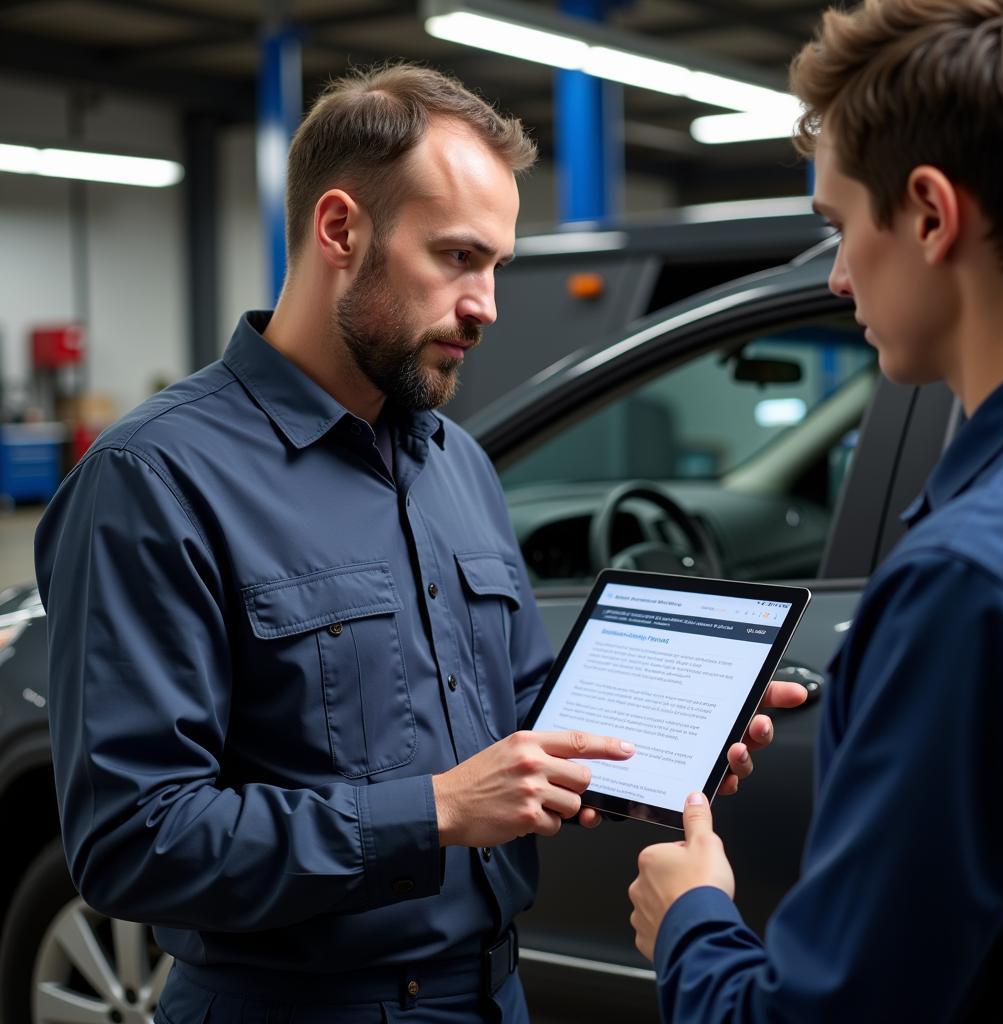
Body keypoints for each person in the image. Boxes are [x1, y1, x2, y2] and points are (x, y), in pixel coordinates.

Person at [35, 64, 795, 1024]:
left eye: (496, 267)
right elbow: (132, 842)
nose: (486, 304)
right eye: (456, 258)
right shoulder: (155, 480)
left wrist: (659, 738)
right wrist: (431, 810)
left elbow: (510, 713)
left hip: (492, 995)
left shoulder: (457, 466)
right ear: (340, 230)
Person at [627, 1, 1003, 1020]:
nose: (840, 275)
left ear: (932, 214)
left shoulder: (962, 582)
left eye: (842, 225)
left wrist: (691, 919)